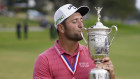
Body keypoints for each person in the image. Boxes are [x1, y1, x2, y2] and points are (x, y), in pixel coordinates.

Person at [33, 4, 116, 79]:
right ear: (61, 28)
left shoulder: (93, 54)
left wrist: (110, 75)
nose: (81, 25)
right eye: (75, 21)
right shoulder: (44, 60)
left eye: (81, 20)